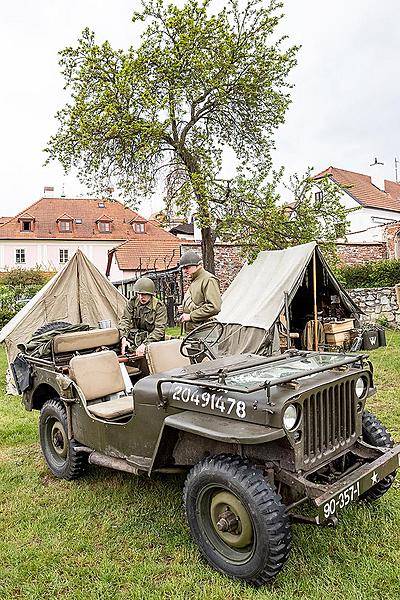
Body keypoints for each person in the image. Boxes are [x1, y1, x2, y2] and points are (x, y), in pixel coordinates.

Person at [119, 277, 167, 356]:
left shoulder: (159, 307)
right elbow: (125, 320)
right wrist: (123, 338)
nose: (141, 297)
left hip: (153, 343)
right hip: (136, 340)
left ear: (151, 294)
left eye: (144, 294)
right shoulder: (132, 303)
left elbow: (159, 329)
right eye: (139, 294)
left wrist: (145, 345)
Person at [178, 251, 222, 332]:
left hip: (205, 332)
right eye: (183, 268)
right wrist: (184, 308)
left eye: (187, 267)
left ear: (197, 266)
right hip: (194, 330)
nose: (184, 271)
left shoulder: (208, 279)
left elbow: (214, 307)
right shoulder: (195, 280)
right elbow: (198, 302)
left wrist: (191, 316)